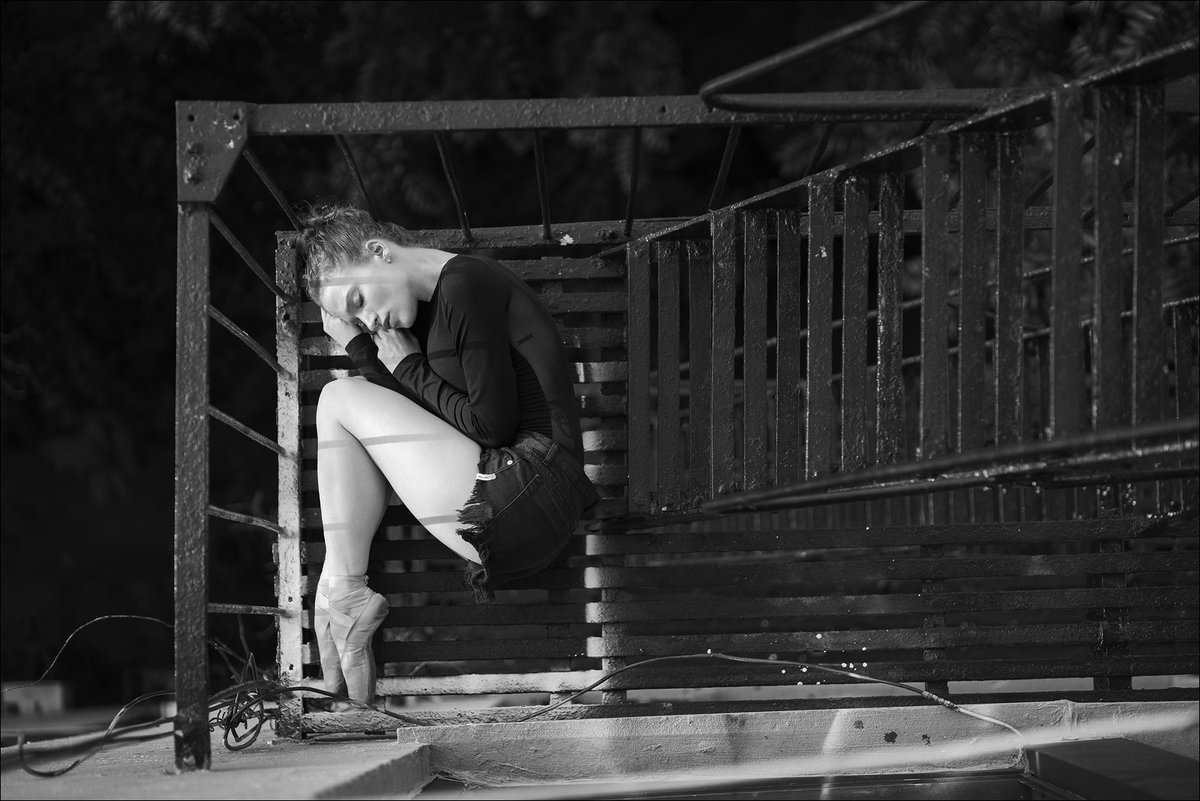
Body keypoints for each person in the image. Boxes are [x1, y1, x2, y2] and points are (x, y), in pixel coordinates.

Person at [295, 203, 600, 704]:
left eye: (359, 299)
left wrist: (408, 365)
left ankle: (341, 594)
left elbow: (490, 426)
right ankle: (341, 593)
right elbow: (420, 415)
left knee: (336, 398)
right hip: (522, 501)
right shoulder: (438, 304)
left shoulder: (465, 284)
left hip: (531, 491)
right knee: (342, 405)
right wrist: (366, 351)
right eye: (357, 319)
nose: (370, 320)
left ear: (378, 251)